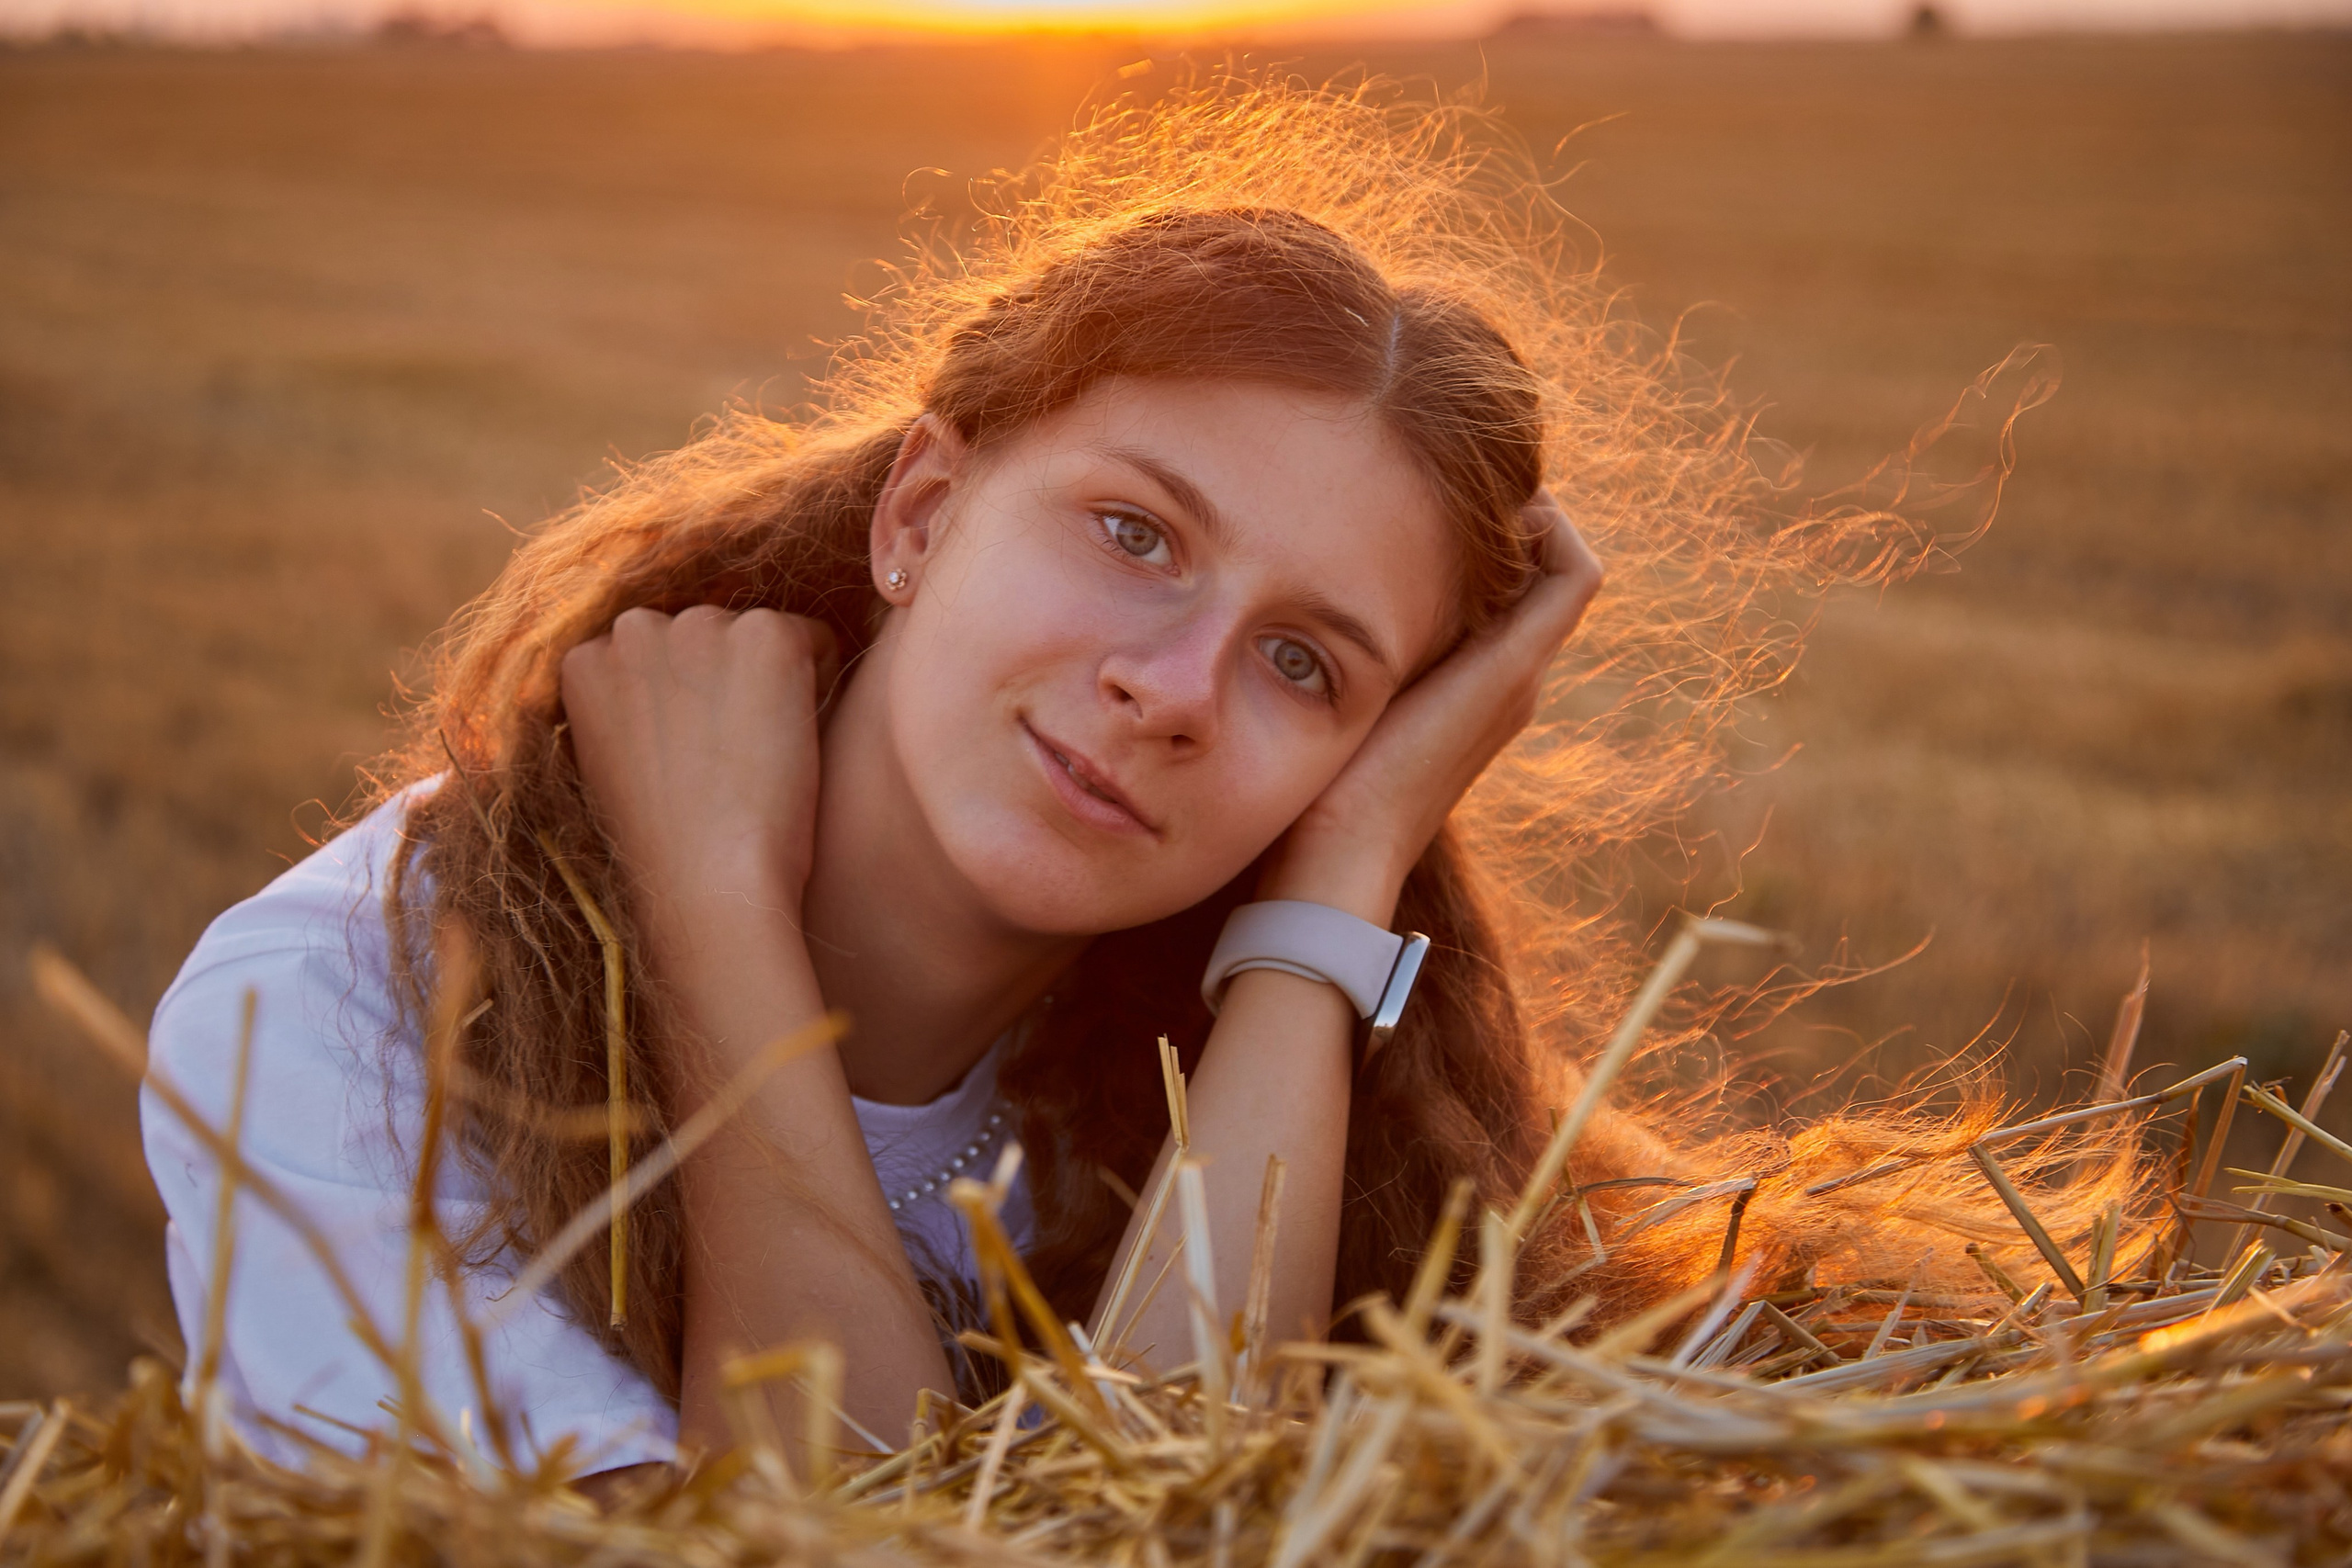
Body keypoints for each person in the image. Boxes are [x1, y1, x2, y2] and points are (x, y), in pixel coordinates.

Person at [141, 80, 2116, 1480]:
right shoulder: (334, 1014)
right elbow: (839, 1535)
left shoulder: (1218, 1039)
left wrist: (1341, 875)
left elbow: (1172, 1505)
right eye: (1134, 533)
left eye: (1304, 663)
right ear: (923, 509)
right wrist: (709, 912)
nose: (1171, 691)